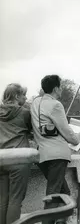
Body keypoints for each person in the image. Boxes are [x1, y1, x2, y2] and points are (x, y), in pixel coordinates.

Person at [30, 75, 80, 224]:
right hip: (56, 155)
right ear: (55, 88)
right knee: (54, 195)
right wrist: (79, 137)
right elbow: (67, 132)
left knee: (64, 192)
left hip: (41, 155)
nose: (61, 90)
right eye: (60, 87)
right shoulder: (56, 105)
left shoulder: (35, 102)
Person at [0, 83, 32, 224]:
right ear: (16, 96)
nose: (25, 98)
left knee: (2, 200)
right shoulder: (24, 112)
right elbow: (32, 131)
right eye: (23, 95)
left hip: (2, 158)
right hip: (19, 159)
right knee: (16, 199)